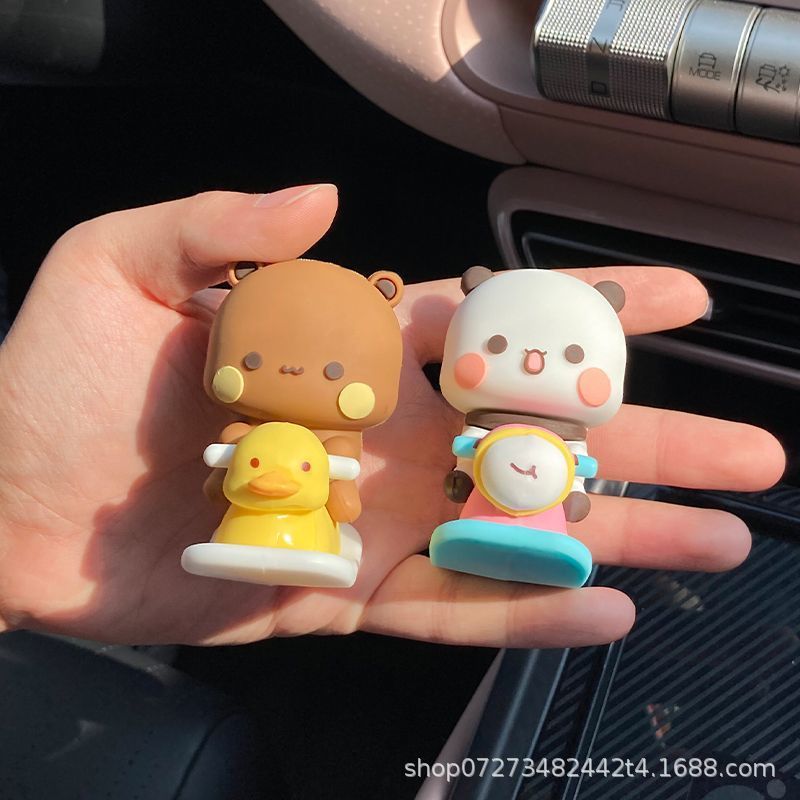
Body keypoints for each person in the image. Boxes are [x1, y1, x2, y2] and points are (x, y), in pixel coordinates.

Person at [0, 184, 784, 648]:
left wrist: (557, 492)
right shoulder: (259, 425)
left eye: (333, 371)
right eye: (500, 346)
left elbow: (473, 470)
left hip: (517, 501)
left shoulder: (497, 427)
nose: (533, 364)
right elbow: (301, 476)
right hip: (269, 528)